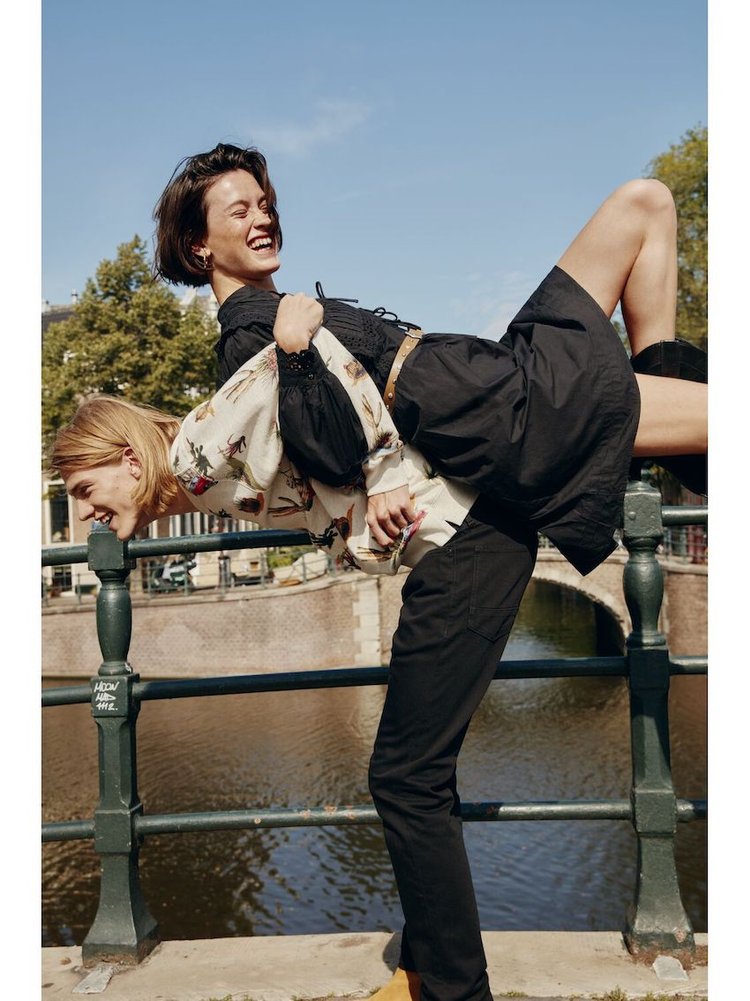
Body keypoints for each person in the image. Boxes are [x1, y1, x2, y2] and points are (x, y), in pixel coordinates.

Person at [50, 330, 535, 1001]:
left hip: (469, 547)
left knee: (405, 778)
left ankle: (457, 990)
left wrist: (385, 473)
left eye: (83, 487)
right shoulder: (192, 479)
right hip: (458, 552)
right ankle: (424, 969)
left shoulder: (196, 450)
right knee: (414, 774)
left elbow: (304, 357)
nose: (82, 510)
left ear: (130, 460)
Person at [152, 143, 707, 579]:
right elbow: (318, 446)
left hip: (484, 367)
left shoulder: (281, 313)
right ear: (199, 245)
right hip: (483, 406)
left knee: (646, 202)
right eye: (241, 211)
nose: (264, 218)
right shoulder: (251, 338)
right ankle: (670, 440)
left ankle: (670, 437)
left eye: (266, 205)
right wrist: (380, 475)